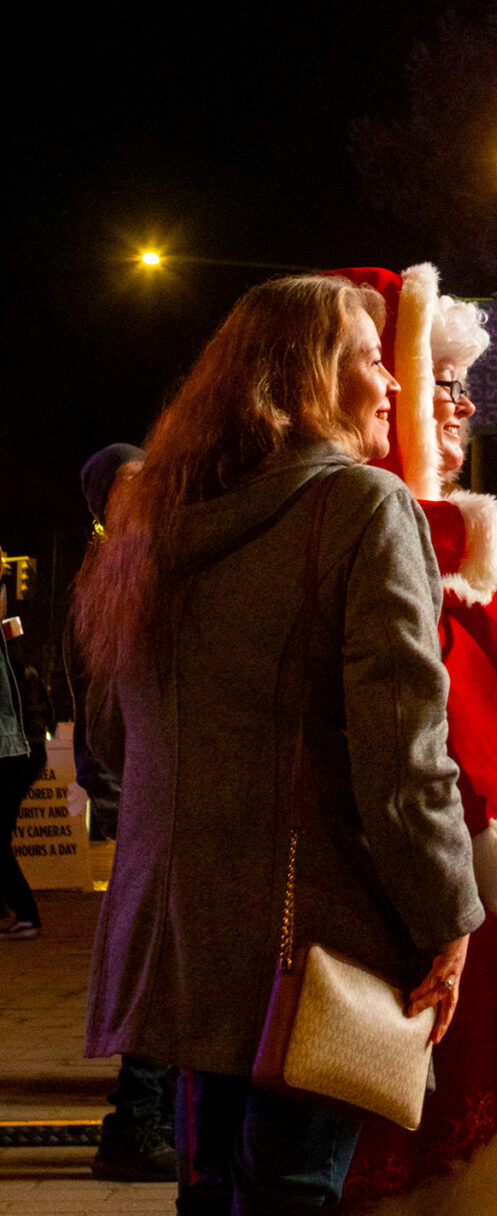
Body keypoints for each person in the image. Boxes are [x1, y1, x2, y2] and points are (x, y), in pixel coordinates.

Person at [75, 273, 485, 1216]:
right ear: (308, 380)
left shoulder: (150, 522)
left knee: (210, 1188)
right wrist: (446, 918)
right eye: (373, 361)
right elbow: (403, 754)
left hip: (178, 936)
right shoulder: (360, 508)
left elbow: (110, 732)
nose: (393, 385)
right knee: (295, 1189)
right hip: (318, 933)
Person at [335, 265, 497, 1216]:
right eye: (435, 379)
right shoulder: (373, 530)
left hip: (479, 905)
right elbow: (423, 726)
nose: (459, 404)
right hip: (427, 914)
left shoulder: (433, 533)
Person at [62, 444, 179, 1182]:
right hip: (156, 796)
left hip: (160, 792)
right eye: (133, 485)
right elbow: (102, 706)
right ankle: (137, 1121)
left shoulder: (153, 563)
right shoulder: (113, 577)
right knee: (158, 959)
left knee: (167, 959)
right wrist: (135, 778)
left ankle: (153, 1117)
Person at [0, 565, 51, 943]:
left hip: (13, 754)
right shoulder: (21, 655)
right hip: (27, 751)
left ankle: (26, 916)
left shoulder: (7, 658)